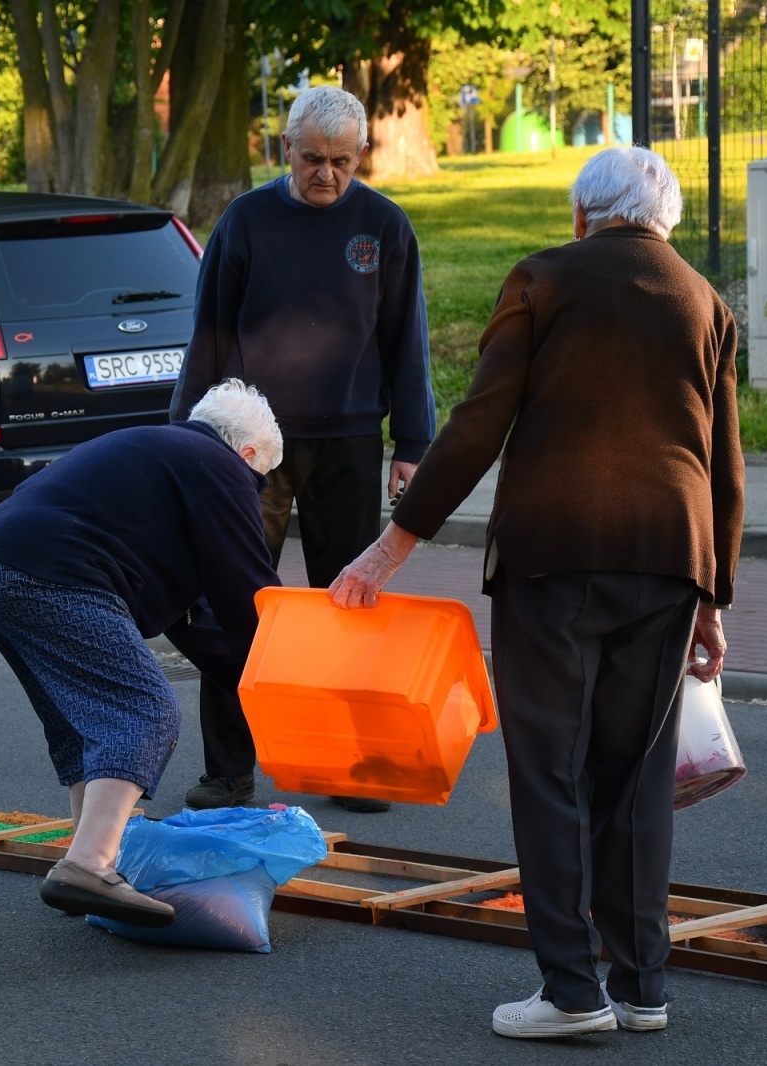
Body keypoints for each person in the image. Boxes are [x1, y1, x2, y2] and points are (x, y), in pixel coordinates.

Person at [329, 147, 744, 1037]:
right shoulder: (707, 302)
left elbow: (480, 423)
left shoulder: (545, 279)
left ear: (583, 214)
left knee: (550, 769)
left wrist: (387, 551)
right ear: (663, 219)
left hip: (552, 556)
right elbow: (723, 465)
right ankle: (641, 987)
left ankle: (569, 990)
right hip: (673, 556)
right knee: (635, 778)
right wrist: (714, 597)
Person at [169, 84, 435, 813]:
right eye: (313, 159)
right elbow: (210, 335)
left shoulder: (383, 226)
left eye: (342, 162)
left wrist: (412, 441)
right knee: (233, 604)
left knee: (345, 606)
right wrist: (188, 438)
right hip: (249, 446)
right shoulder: (246, 223)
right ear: (284, 149)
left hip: (348, 441)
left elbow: (405, 339)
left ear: (361, 155)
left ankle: (346, 764)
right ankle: (229, 773)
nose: (327, 175)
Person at [0, 380, 283, 927]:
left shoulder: (161, 456)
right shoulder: (220, 466)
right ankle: (89, 864)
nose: (254, 494)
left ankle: (81, 867)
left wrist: (251, 685)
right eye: (260, 483)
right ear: (248, 454)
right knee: (144, 712)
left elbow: (197, 621)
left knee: (78, 718)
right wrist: (286, 683)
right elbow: (249, 593)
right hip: (54, 570)